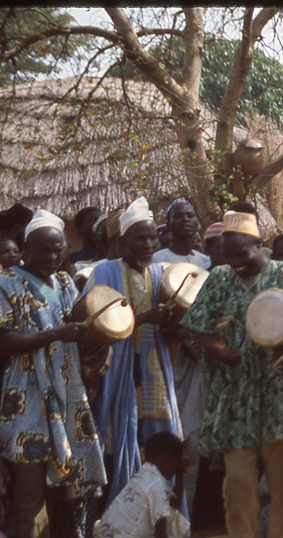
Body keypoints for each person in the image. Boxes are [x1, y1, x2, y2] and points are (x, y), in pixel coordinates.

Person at [179, 207, 283, 538]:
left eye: (242, 253)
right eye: (229, 254)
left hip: (278, 394)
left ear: (260, 245)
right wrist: (217, 349)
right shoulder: (220, 279)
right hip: (236, 395)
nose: (236, 261)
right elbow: (198, 326)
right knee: (238, 483)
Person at [0, 209, 106, 538]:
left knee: (58, 483)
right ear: (27, 249)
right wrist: (53, 335)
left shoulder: (66, 284)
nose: (52, 255)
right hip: (25, 399)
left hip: (66, 395)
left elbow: (82, 329)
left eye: (58, 248)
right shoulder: (6, 285)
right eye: (44, 249)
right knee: (30, 486)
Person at [86, 196, 183, 507]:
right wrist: (145, 318)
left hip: (155, 371)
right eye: (140, 237)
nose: (148, 244)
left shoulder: (161, 274)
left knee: (160, 445)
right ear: (121, 242)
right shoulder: (103, 273)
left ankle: (160, 525)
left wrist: (171, 322)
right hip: (118, 374)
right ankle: (118, 522)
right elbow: (98, 324)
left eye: (152, 237)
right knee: (115, 443)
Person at [93, 431, 194, 538]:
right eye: (175, 463)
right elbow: (160, 531)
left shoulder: (146, 474)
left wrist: (180, 474)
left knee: (173, 517)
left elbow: (174, 505)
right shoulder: (157, 485)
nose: (175, 469)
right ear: (165, 459)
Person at [153, 198, 210, 269]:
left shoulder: (205, 261)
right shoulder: (157, 260)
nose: (185, 219)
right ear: (168, 224)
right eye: (178, 216)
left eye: (190, 215)